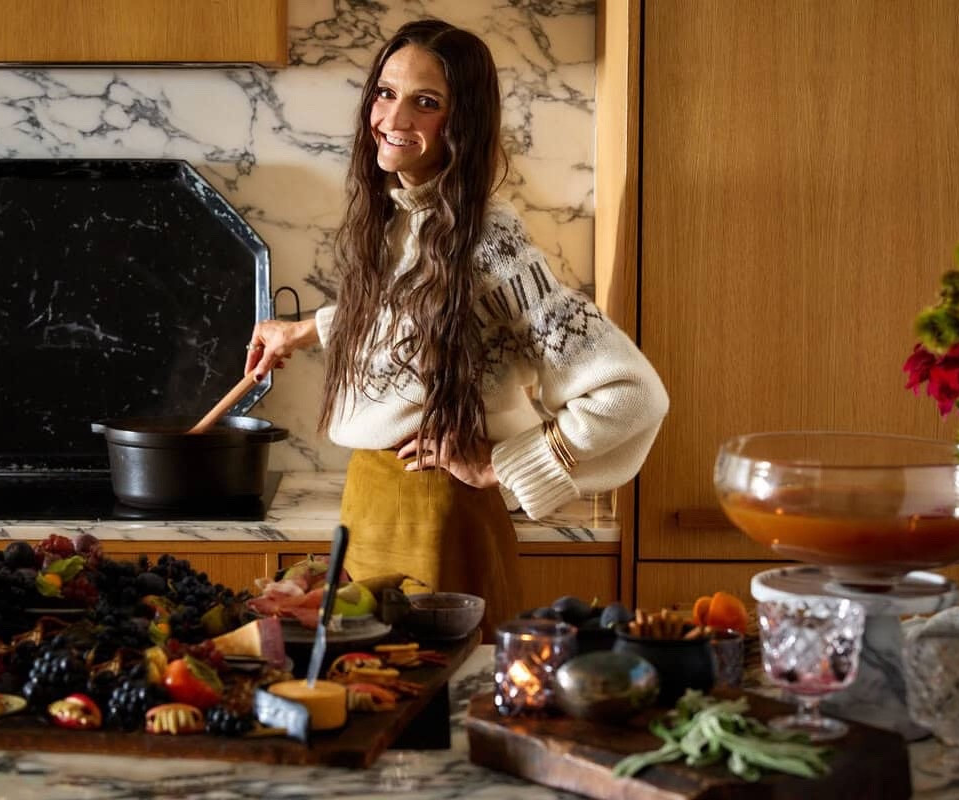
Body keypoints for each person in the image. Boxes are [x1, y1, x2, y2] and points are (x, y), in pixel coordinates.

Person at [245, 18, 668, 638]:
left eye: (426, 102)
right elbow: (415, 319)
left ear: (461, 122)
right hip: (370, 499)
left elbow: (633, 396)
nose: (394, 117)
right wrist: (305, 330)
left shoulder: (489, 238)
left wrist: (507, 463)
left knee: (437, 688)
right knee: (372, 684)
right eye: (386, 93)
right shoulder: (397, 217)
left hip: (439, 514)